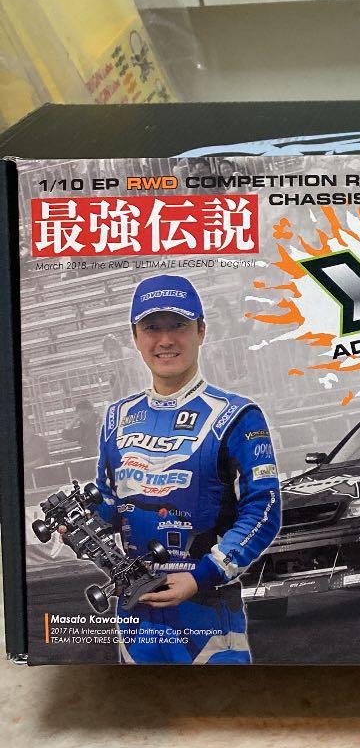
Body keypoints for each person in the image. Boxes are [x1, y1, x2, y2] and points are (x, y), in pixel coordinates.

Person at [95, 275, 281, 664]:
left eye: (178, 325)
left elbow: (263, 508)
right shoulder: (116, 418)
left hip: (207, 614)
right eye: (152, 327)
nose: (165, 340)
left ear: (201, 331)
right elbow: (112, 506)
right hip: (136, 620)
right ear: (135, 337)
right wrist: (81, 520)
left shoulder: (237, 414)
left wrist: (202, 576)